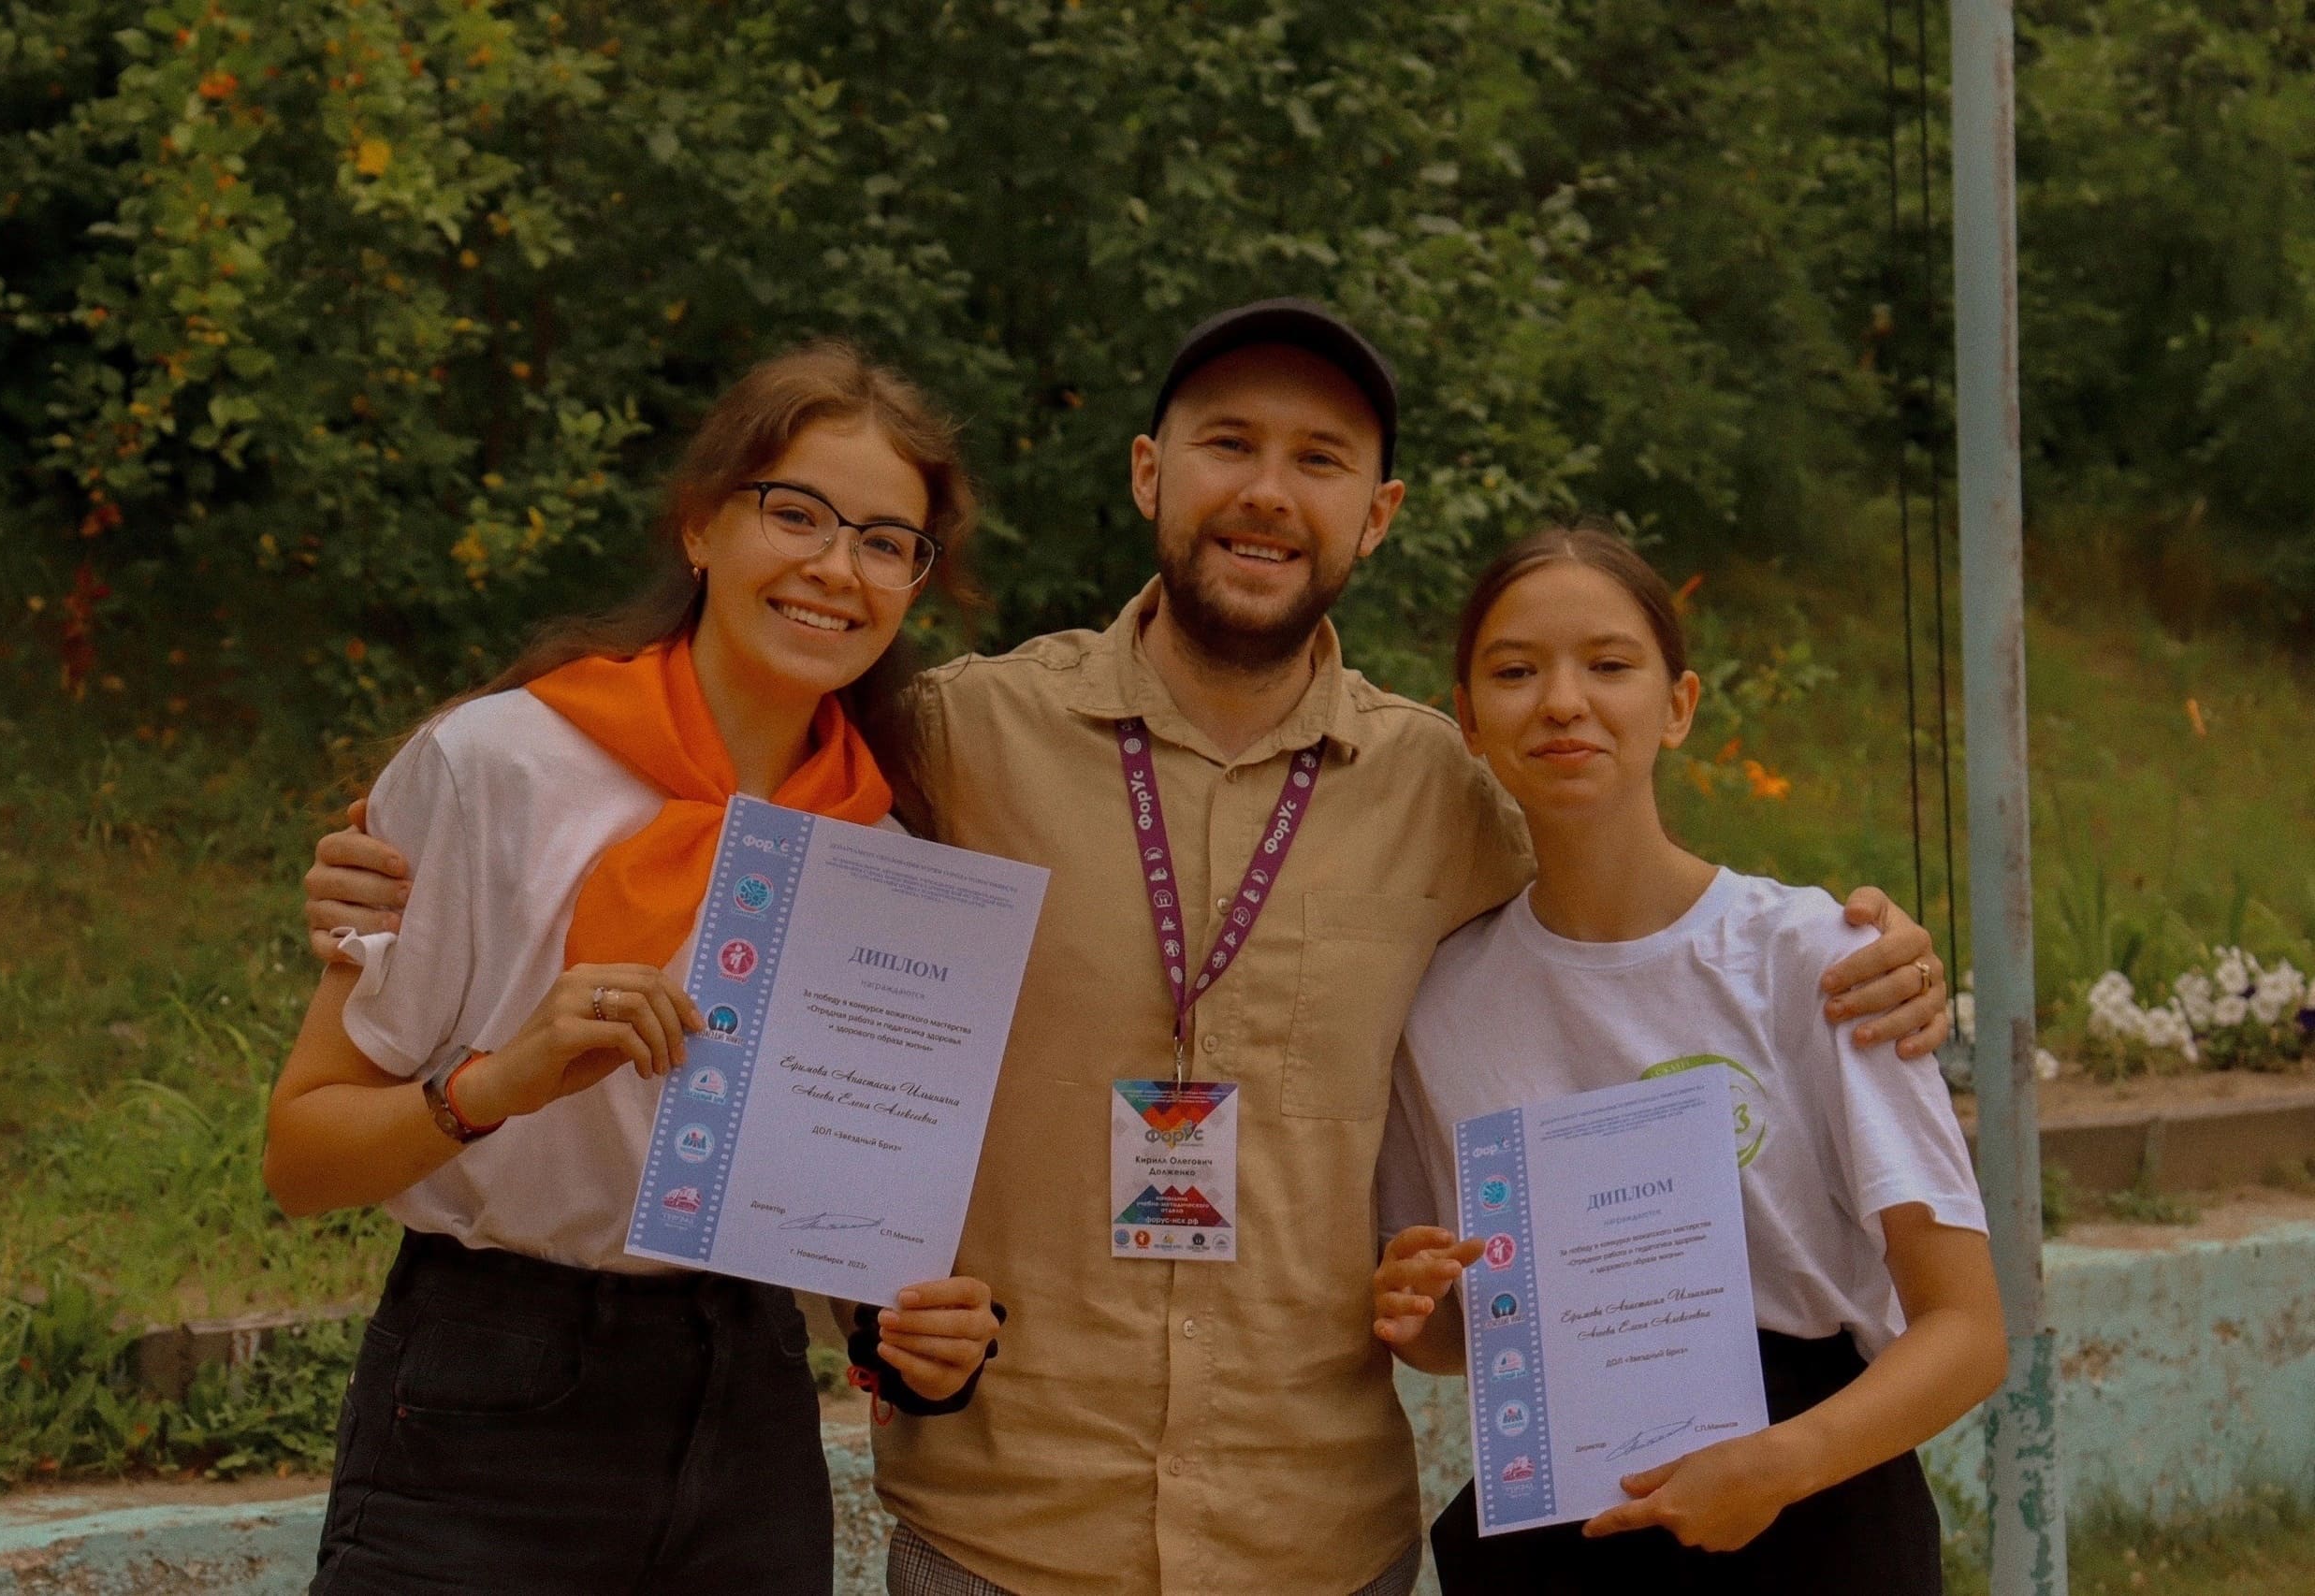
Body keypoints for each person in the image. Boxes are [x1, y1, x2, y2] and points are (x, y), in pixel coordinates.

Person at [298, 301, 1953, 1596]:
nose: (1265, 490)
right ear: (1152, 476)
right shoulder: (948, 742)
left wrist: (1859, 941)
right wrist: (383, 878)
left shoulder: (1451, 799)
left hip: (1317, 1536)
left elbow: (1629, 890)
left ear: (1375, 517)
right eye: (1226, 442)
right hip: (1007, 1528)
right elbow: (715, 796)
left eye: (1319, 458)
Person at [263, 342, 1006, 1596]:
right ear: (703, 525)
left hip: (748, 1401)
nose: (838, 567)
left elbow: (835, 1221)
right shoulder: (497, 766)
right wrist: (501, 1080)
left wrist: (906, 1332)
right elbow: (300, 1155)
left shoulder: (883, 855)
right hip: (484, 1397)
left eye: (887, 540)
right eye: (798, 513)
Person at [1371, 522, 2003, 1594]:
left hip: (1814, 1511)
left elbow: (1967, 1329)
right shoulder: (1436, 1004)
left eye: (1609, 665)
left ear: (1678, 703)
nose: (1563, 700)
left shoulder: (1818, 958)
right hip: (1562, 1527)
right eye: (1516, 670)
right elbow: (1451, 1340)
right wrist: (1415, 1303)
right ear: (1466, 720)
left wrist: (1781, 1462)